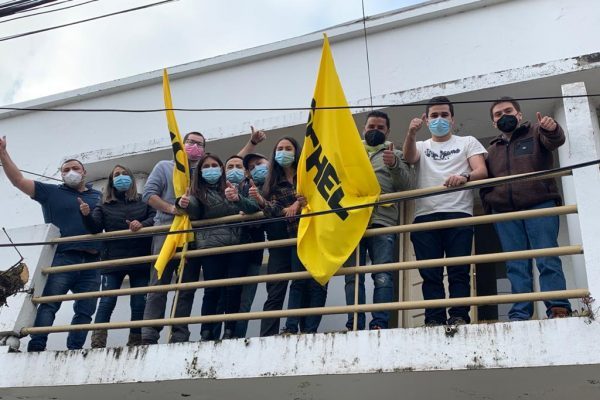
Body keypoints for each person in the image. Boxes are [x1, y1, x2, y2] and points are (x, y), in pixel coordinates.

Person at [141, 128, 266, 344]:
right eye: (191, 142)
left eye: (200, 144)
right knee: (159, 283)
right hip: (167, 229)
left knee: (187, 286)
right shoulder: (165, 166)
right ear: (181, 144)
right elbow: (148, 194)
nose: (195, 147)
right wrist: (173, 209)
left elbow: (231, 163)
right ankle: (149, 334)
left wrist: (252, 144)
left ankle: (179, 334)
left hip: (194, 233)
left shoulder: (203, 171)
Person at [0, 136, 102, 351]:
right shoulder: (51, 192)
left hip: (93, 260)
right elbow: (19, 181)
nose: (71, 172)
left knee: (86, 309)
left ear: (84, 172)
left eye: (75, 168)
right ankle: (37, 346)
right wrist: (3, 153)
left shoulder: (98, 196)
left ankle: (75, 349)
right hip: (62, 258)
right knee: (49, 304)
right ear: (61, 174)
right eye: (66, 170)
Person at [480, 96, 572, 320]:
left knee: (547, 257)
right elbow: (485, 181)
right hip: (505, 213)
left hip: (540, 204)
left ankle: (558, 307)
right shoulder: (492, 150)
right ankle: (520, 313)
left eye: (508, 111)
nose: (504, 116)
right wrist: (491, 205)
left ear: (519, 114)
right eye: (498, 114)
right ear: (493, 122)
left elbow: (555, 140)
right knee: (515, 264)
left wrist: (552, 128)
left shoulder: (536, 132)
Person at [402, 96, 488, 326]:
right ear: (426, 120)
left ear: (452, 119)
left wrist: (465, 176)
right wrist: (411, 133)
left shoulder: (467, 141)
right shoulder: (421, 145)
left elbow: (481, 170)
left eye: (444, 115)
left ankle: (459, 315)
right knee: (430, 274)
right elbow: (409, 157)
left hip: (459, 213)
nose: (439, 119)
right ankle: (434, 318)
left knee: (459, 270)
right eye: (434, 115)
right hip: (425, 216)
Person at [344, 110, 414, 331]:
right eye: (371, 127)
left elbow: (408, 186)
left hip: (382, 221)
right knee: (352, 277)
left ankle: (379, 323)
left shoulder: (396, 153)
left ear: (388, 131)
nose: (375, 131)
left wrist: (394, 165)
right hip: (351, 223)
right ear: (363, 129)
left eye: (380, 128)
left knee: (382, 275)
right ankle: (355, 323)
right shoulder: (349, 154)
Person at [251, 137, 327, 336]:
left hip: (317, 235)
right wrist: (261, 201)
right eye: (280, 148)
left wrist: (299, 203)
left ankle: (310, 329)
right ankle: (291, 327)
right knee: (298, 281)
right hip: (295, 237)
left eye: (288, 148)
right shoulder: (274, 183)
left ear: (296, 152)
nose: (283, 152)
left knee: (318, 284)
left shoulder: (308, 174)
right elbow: (276, 210)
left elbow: (321, 197)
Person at [178, 153, 259, 340]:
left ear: (221, 169)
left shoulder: (233, 188)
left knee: (233, 289)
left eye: (214, 165)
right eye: (206, 167)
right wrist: (183, 203)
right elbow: (195, 209)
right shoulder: (197, 192)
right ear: (200, 172)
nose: (211, 169)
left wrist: (237, 198)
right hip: (211, 247)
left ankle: (230, 330)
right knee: (212, 289)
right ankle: (206, 331)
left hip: (237, 245)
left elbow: (253, 207)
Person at [78, 164, 156, 348]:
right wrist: (86, 215)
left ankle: (135, 341)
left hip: (140, 259)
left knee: (139, 303)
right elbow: (95, 228)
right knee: (107, 301)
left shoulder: (143, 200)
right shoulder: (103, 204)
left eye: (124, 173)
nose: (121, 177)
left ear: (131, 178)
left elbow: (155, 218)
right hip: (112, 261)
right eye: (117, 175)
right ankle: (97, 342)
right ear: (111, 181)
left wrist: (142, 224)